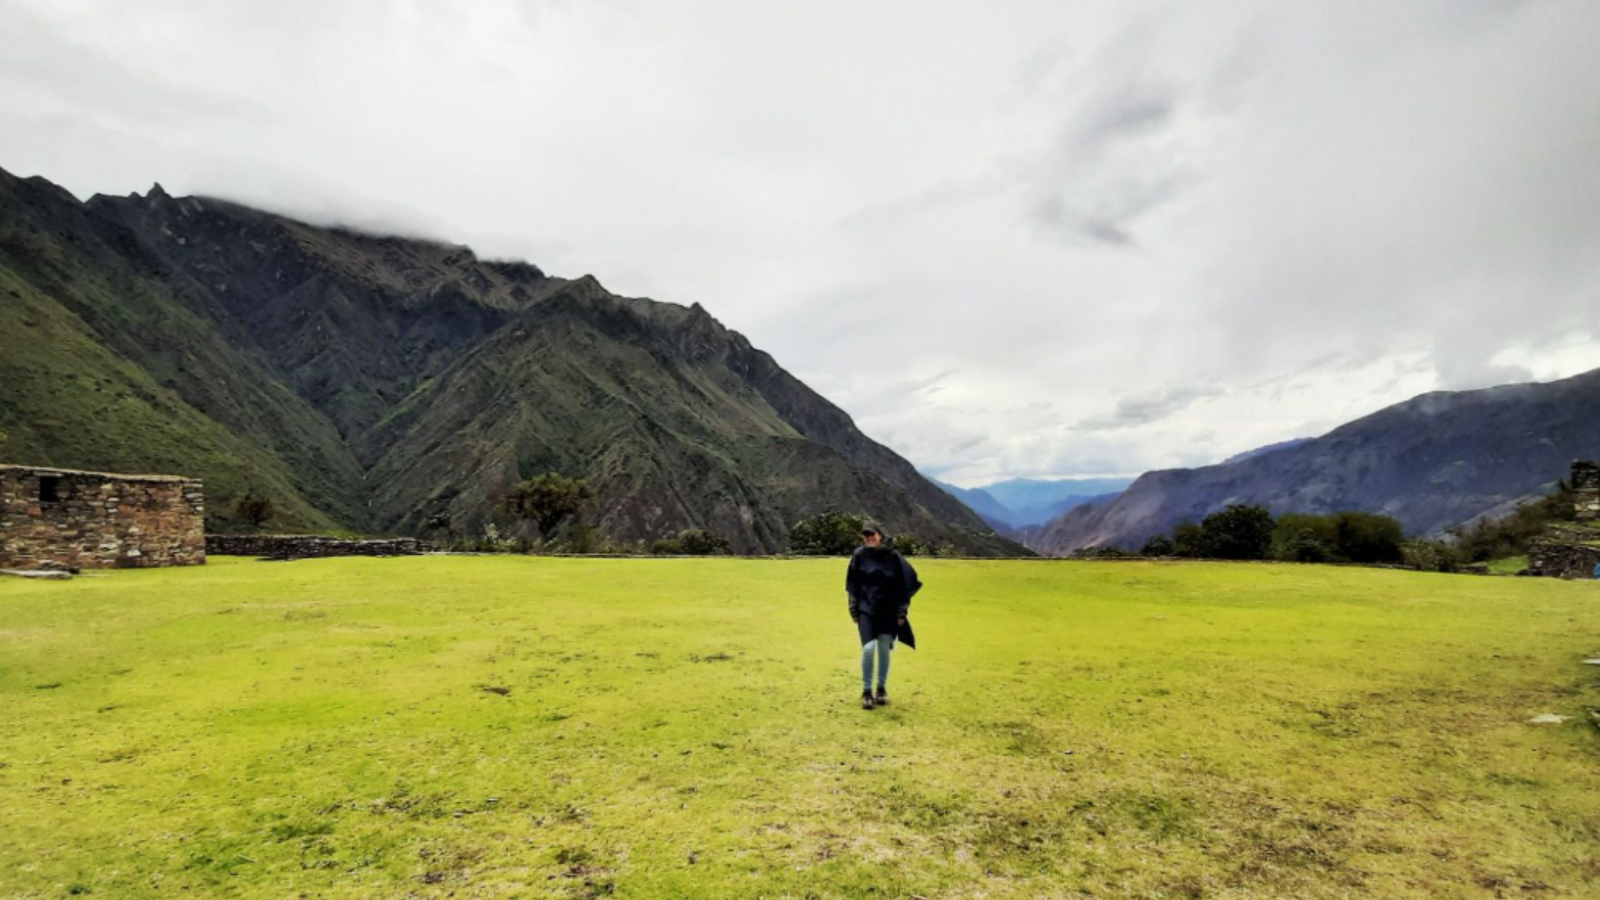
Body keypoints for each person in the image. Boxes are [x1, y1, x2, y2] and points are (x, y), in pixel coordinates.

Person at [845, 522, 921, 710]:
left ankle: (881, 689)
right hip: (865, 609)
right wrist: (853, 609)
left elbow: (905, 584)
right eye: (866, 535)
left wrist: (902, 612)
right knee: (869, 648)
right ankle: (866, 691)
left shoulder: (893, 556)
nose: (869, 538)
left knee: (884, 648)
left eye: (872, 534)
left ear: (880, 535)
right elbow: (852, 584)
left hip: (888, 610)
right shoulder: (859, 555)